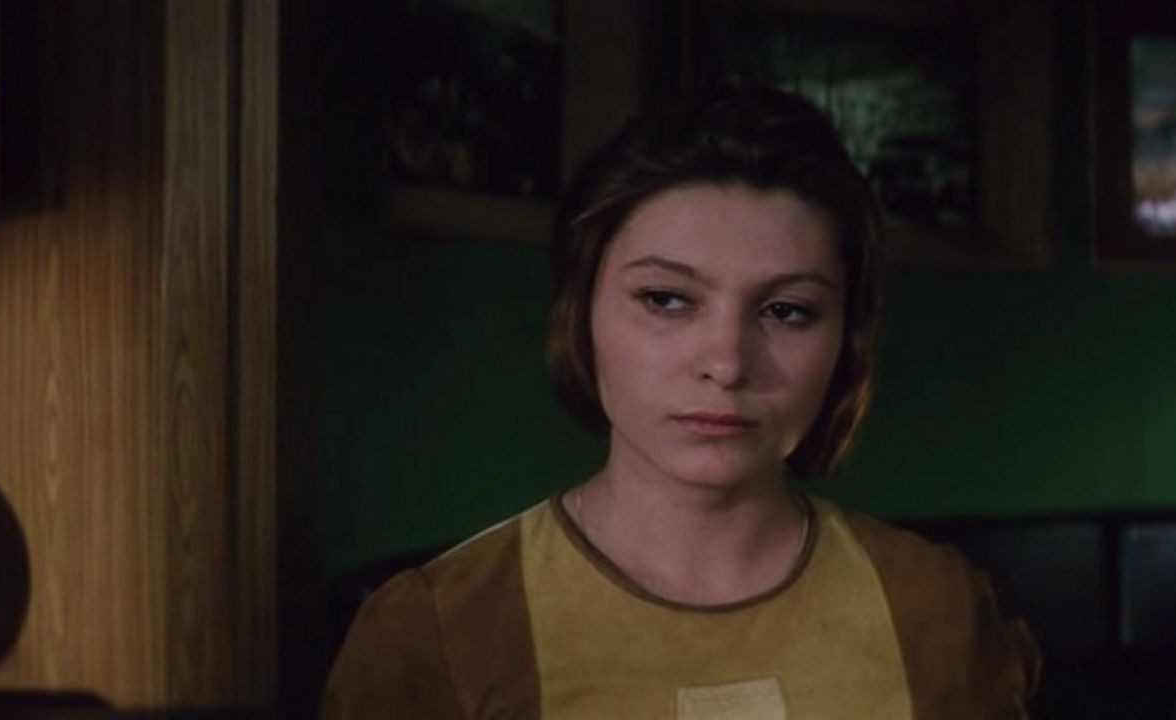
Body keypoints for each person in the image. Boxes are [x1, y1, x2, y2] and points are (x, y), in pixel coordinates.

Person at [322, 86, 1039, 718]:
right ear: (581, 314)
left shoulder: (935, 608)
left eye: (787, 310)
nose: (726, 363)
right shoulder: (442, 629)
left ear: (847, 340)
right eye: (666, 299)